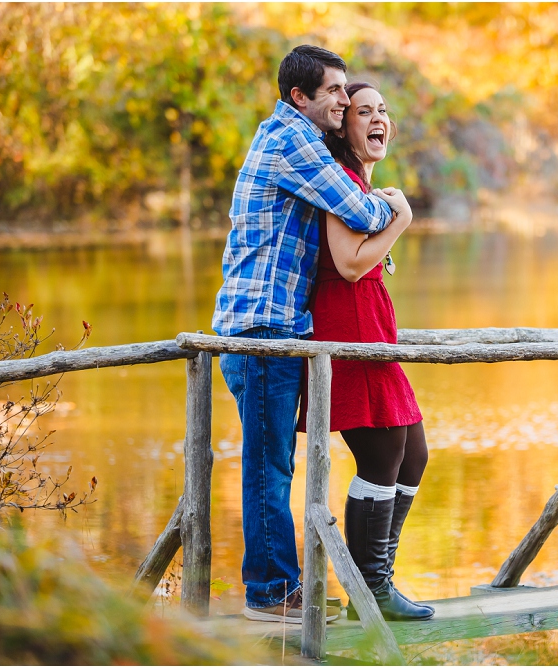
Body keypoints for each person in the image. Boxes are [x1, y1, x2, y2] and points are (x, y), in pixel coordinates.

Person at [213, 45, 412, 624]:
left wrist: (372, 201)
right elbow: (357, 208)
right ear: (299, 97)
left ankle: (284, 587)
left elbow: (350, 207)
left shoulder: (288, 138)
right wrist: (395, 208)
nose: (344, 101)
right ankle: (271, 593)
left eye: (346, 92)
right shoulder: (293, 140)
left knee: (271, 464)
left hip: (270, 329)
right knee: (268, 468)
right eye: (334, 93)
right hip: (263, 333)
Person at [296, 82, 433, 622]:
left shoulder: (364, 185)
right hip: (346, 325)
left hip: (372, 327)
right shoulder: (340, 182)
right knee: (380, 455)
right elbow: (349, 263)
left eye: (383, 110)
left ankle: (376, 582)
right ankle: (370, 590)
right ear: (342, 125)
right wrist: (401, 220)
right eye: (363, 111)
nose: (378, 118)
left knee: (412, 453)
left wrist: (388, 210)